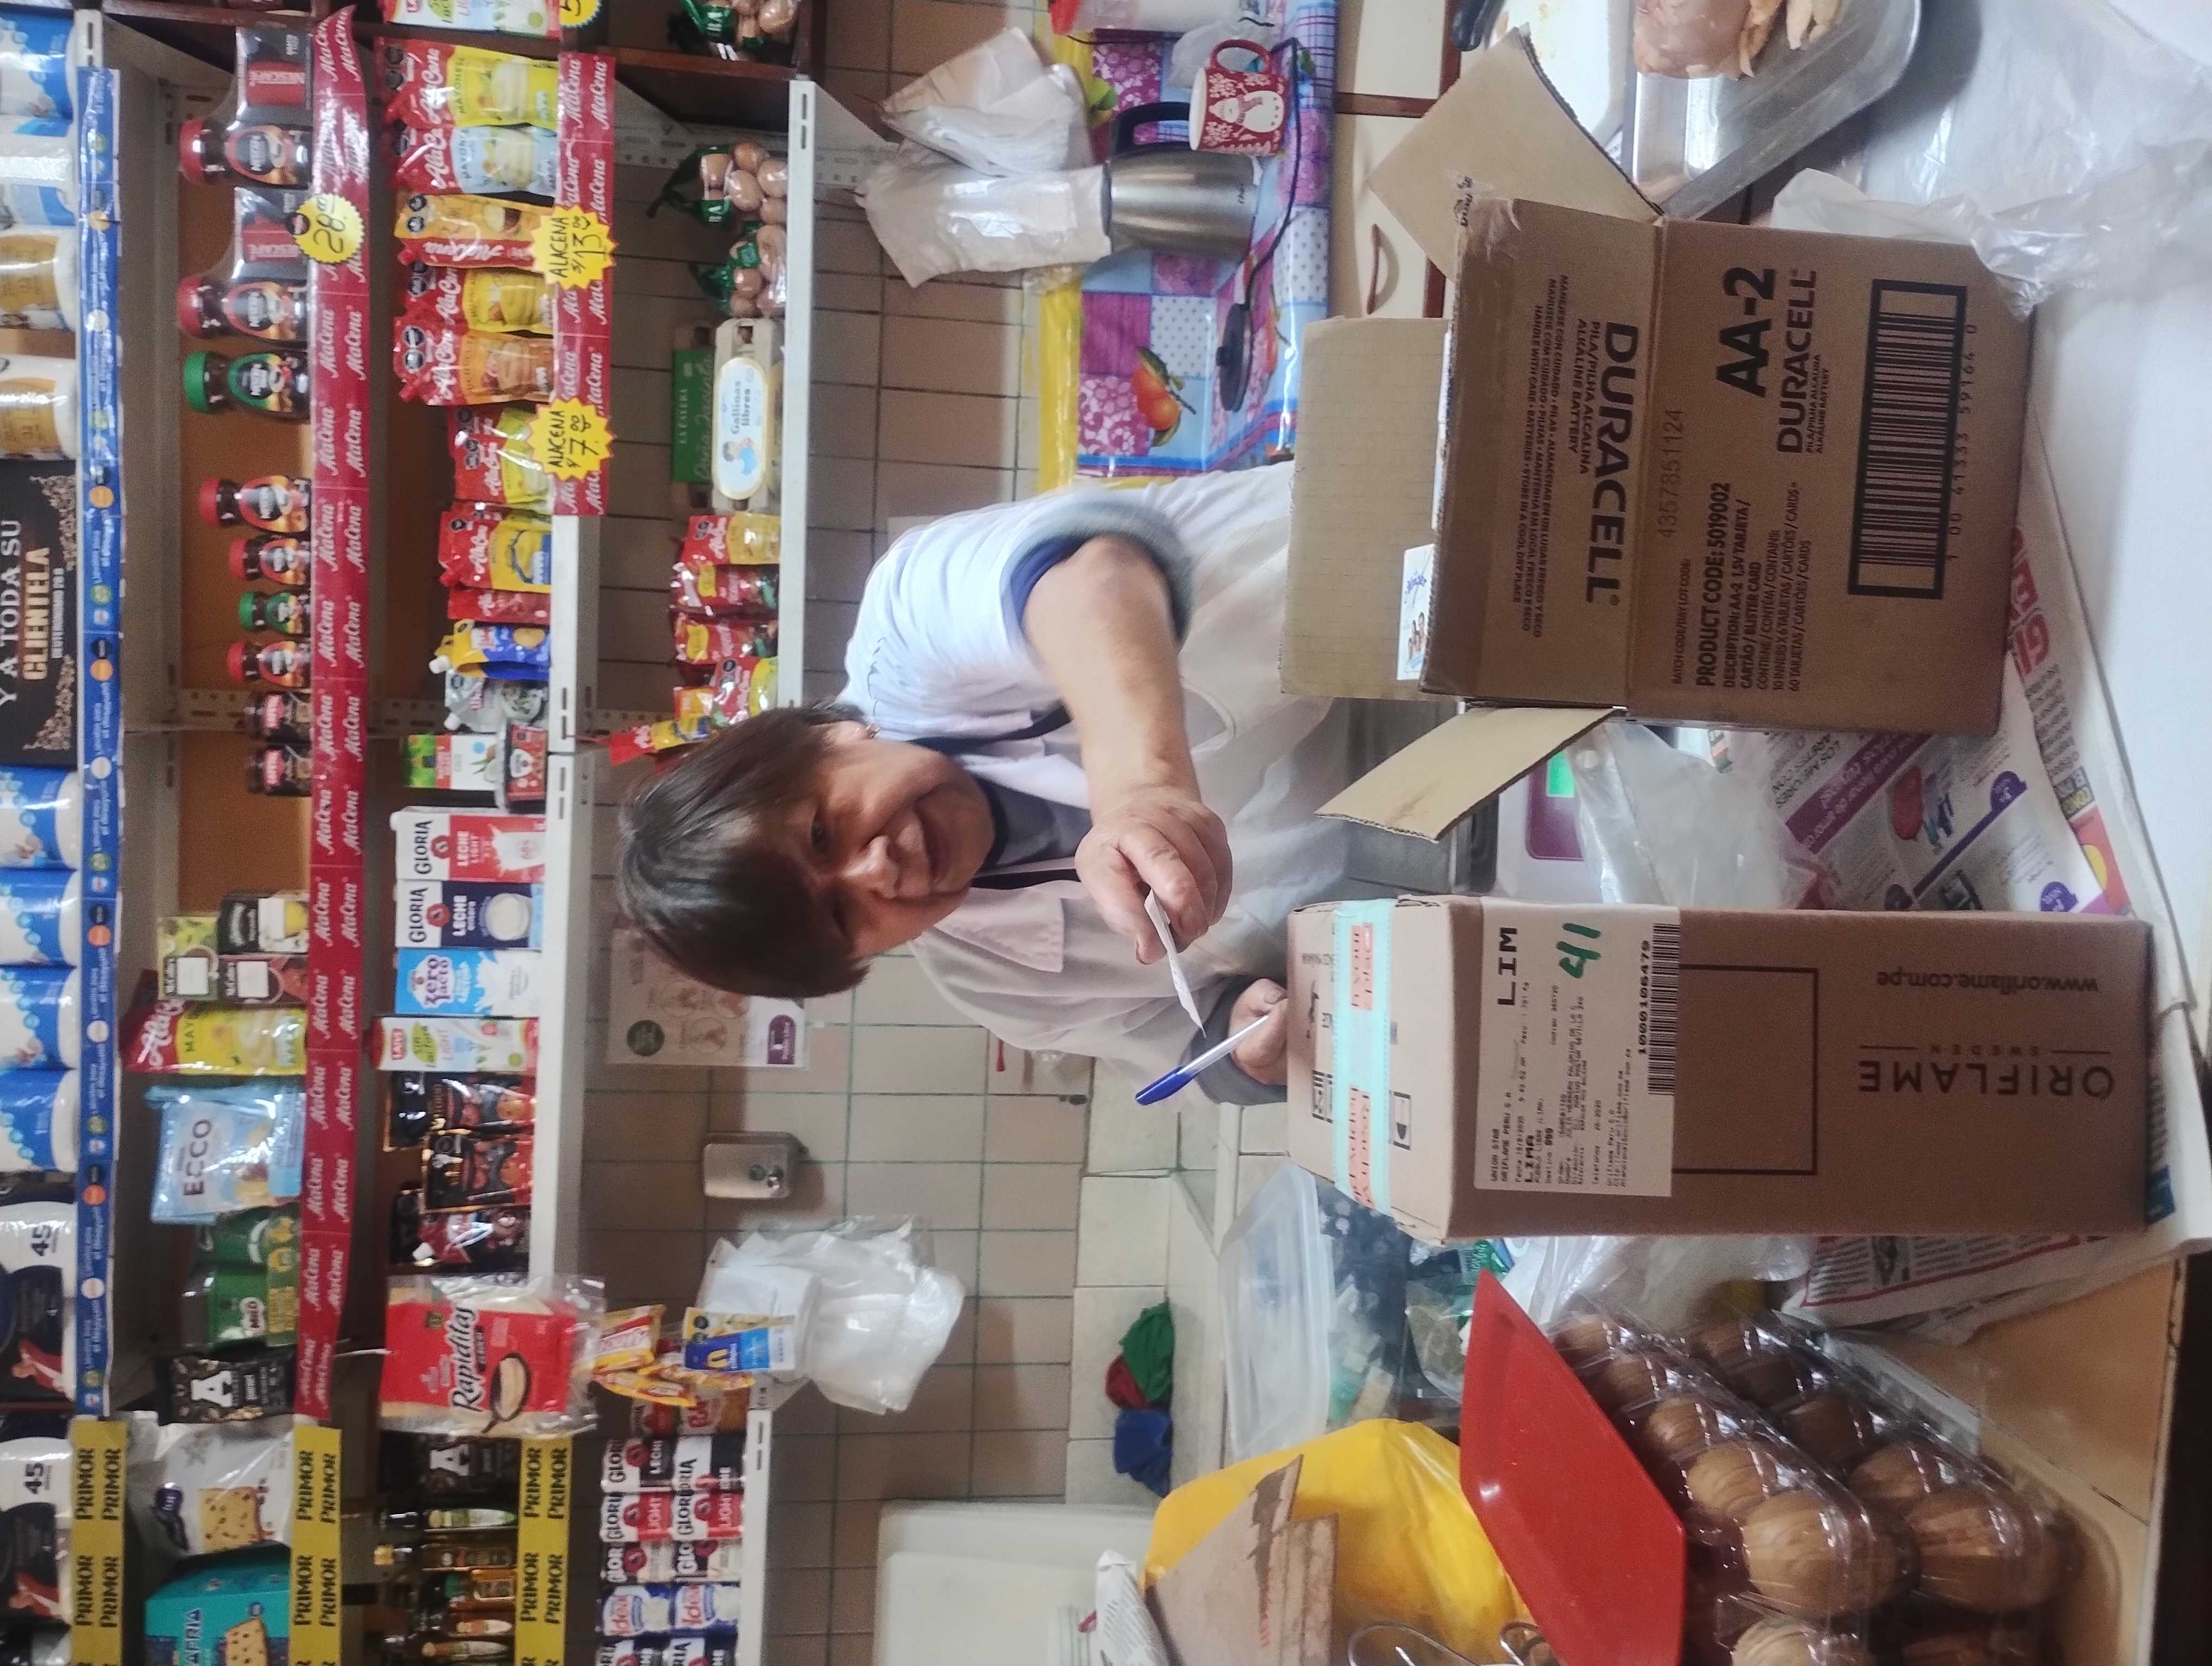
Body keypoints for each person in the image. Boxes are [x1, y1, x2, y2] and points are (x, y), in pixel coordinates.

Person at [618, 463, 1354, 1104]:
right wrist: (1248, 1046)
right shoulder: (995, 982)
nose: (876, 871)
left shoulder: (904, 629)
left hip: (1377, 584)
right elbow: (1186, 1048)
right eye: (842, 915)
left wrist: (1139, 792)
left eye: (821, 833)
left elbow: (1096, 578)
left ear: (822, 740)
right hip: (1410, 854)